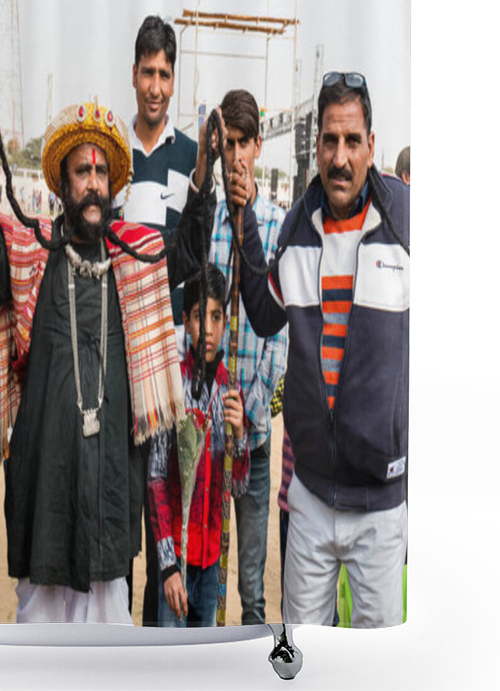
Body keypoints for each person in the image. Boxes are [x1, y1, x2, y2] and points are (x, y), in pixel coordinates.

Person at [0, 81, 211, 624]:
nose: (93, 185)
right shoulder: (31, 249)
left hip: (109, 500)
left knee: (107, 664)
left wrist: (203, 179)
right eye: (82, 172)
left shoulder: (132, 255)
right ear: (63, 183)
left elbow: (189, 251)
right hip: (44, 494)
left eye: (101, 173)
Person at [233, 71, 409, 628]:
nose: (339, 157)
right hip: (309, 497)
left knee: (374, 672)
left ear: (371, 147)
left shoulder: (406, 224)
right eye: (330, 141)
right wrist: (243, 224)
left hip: (381, 507)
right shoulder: (298, 227)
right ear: (317, 148)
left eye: (352, 141)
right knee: (303, 665)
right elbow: (263, 314)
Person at [115, 14, 203, 624]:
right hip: (119, 357)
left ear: (174, 79)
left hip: (169, 359)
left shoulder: (193, 158)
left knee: (162, 508)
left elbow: (195, 259)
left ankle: (153, 648)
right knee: (122, 509)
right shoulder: (113, 155)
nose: (154, 85)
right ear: (134, 75)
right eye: (146, 72)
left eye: (164, 73)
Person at [206, 89, 287, 625]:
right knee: (208, 583)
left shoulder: (278, 225)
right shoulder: (208, 221)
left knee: (253, 593)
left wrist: (248, 409)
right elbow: (197, 323)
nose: (236, 156)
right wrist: (216, 405)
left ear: (259, 145)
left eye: (244, 144)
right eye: (227, 145)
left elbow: (279, 341)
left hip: (253, 443)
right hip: (209, 438)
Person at [148, 265, 248, 627]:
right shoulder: (173, 386)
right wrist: (167, 565)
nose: (207, 328)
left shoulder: (230, 393)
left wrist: (240, 438)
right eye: (197, 316)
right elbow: (156, 476)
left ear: (225, 323)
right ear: (186, 322)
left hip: (212, 566)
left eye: (216, 316)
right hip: (177, 561)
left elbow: (237, 486)